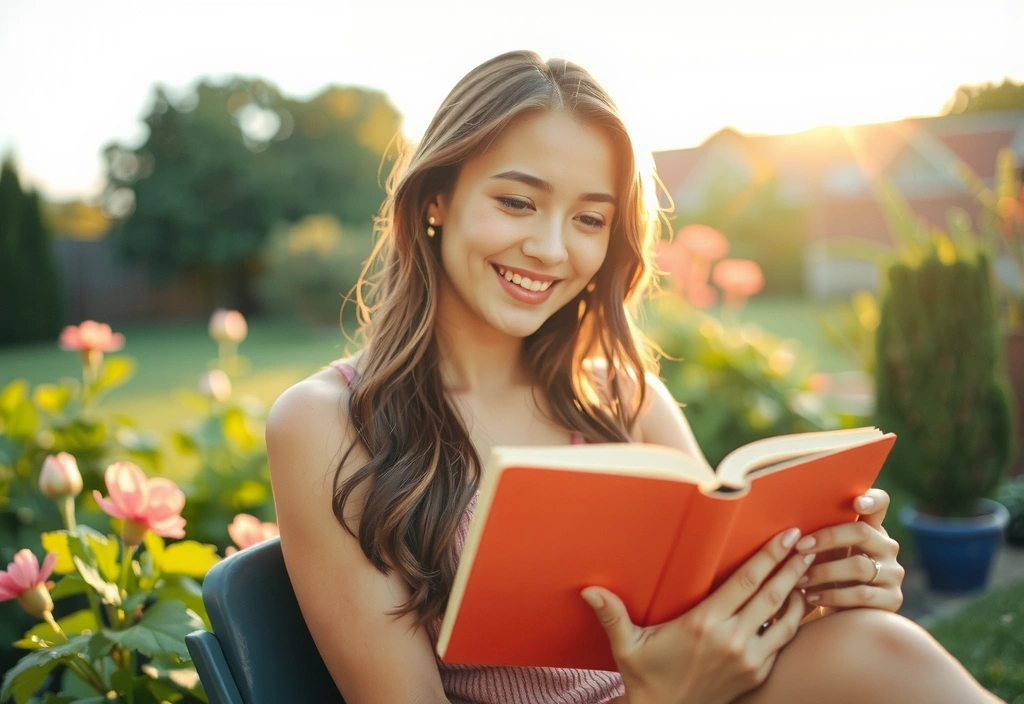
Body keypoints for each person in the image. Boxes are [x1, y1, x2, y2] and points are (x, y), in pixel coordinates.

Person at [265, 50, 1003, 704]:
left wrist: (829, 583)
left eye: (590, 219)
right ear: (436, 197)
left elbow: (721, 621)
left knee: (876, 642)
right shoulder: (328, 422)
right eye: (517, 202)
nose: (551, 248)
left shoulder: (624, 399)